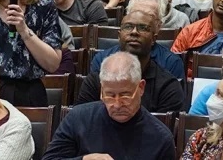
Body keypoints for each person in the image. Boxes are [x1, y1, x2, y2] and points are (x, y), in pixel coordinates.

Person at [43, 52, 176, 160]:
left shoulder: (161, 138)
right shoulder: (77, 118)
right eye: (110, 95)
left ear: (141, 88)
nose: (117, 105)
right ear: (101, 90)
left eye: (125, 95)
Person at [77, 3, 184, 112]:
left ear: (153, 39)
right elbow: (81, 121)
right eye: (128, 27)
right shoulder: (96, 80)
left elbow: (162, 128)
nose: (134, 32)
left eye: (143, 28)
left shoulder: (168, 87)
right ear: (119, 36)